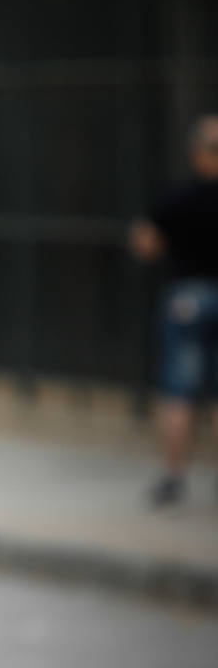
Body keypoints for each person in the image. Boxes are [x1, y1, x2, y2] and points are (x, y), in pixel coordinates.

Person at [129, 113, 218, 507]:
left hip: (187, 298)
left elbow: (145, 243)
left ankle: (174, 477)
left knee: (180, 394)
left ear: (195, 151)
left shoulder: (178, 196)